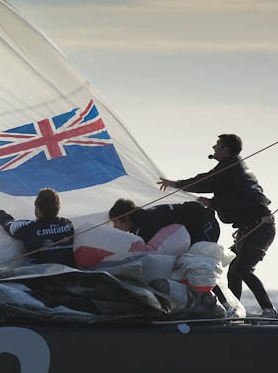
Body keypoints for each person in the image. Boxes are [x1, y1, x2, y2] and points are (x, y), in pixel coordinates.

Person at [158, 134, 276, 316]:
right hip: (252, 227)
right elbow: (236, 197)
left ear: (225, 149)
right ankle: (235, 310)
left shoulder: (230, 166)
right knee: (234, 272)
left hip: (259, 227)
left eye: (217, 145)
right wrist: (212, 203)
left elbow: (206, 180)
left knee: (243, 269)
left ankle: (269, 310)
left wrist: (176, 184)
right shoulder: (233, 169)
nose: (213, 148)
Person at [0, 188, 75, 266]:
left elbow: (9, 224)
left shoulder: (28, 227)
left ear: (38, 209)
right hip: (70, 275)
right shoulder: (68, 224)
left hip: (40, 279)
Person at [108, 198, 220, 245]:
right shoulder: (144, 216)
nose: (115, 227)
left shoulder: (143, 227)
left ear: (125, 217)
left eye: (115, 222)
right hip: (206, 223)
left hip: (205, 228)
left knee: (197, 268)